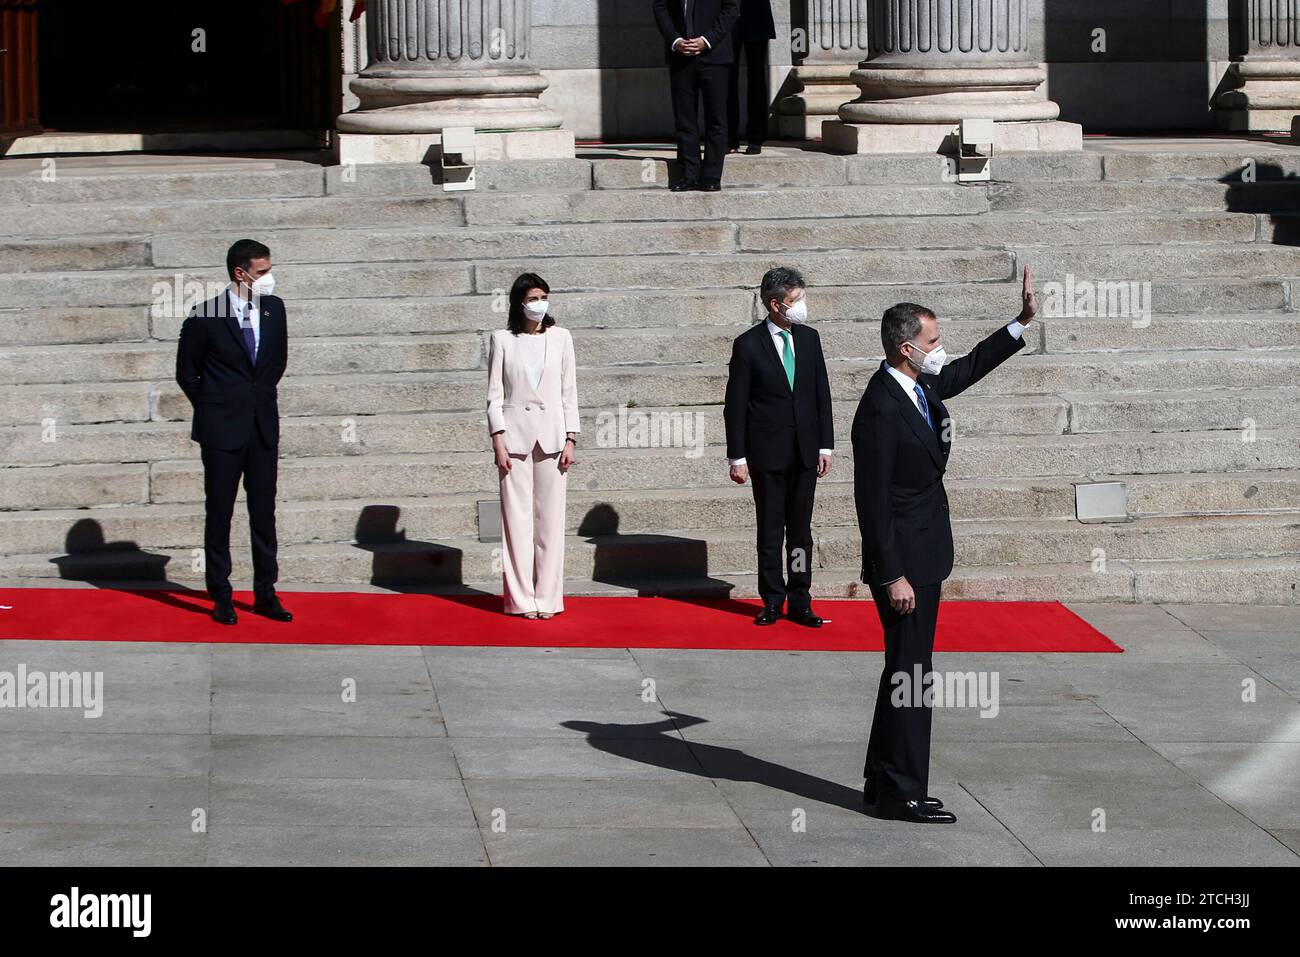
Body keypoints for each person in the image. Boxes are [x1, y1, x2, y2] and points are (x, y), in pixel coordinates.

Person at [853, 267, 1039, 823]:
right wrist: (891, 574)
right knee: (912, 674)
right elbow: (872, 500)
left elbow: (965, 370)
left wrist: (1020, 323)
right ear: (907, 347)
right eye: (932, 342)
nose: (941, 350)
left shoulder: (918, 384)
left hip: (926, 550)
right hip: (904, 562)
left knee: (904, 669)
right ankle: (902, 791)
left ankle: (883, 779)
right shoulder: (881, 407)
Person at [175, 239, 292, 626]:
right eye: (261, 272)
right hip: (222, 431)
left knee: (264, 513)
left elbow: (276, 362)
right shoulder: (204, 316)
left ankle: (265, 593)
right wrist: (216, 406)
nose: (268, 278)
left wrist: (257, 400)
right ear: (240, 273)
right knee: (220, 513)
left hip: (262, 429)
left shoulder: (274, 309)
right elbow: (186, 373)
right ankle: (221, 595)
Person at [723, 267, 833, 628]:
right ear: (774, 304)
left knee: (800, 534)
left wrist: (826, 446)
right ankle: (772, 599)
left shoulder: (810, 339)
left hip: (804, 453)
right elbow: (735, 405)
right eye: (794, 300)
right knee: (770, 532)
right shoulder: (748, 345)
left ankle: (800, 599)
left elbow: (821, 395)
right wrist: (736, 456)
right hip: (767, 455)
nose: (801, 306)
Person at [486, 273, 580, 619]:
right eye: (533, 298)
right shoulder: (502, 340)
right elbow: (494, 396)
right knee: (516, 521)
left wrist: (571, 437)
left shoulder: (561, 338)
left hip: (553, 439)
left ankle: (548, 599)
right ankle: (520, 600)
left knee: (551, 523)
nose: (540, 304)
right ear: (519, 303)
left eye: (544, 297)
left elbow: (569, 391)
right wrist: (498, 438)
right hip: (514, 439)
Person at [652, 0, 741, 191]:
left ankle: (711, 175)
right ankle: (689, 173)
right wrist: (675, 40)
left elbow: (731, 8)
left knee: (716, 119)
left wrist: (706, 40)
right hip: (680, 56)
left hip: (715, 54)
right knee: (685, 118)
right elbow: (660, 7)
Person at [727, 0, 775, 154]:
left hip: (755, 13)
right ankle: (728, 137)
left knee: (757, 79)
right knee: (726, 79)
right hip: (727, 15)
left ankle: (756, 137)